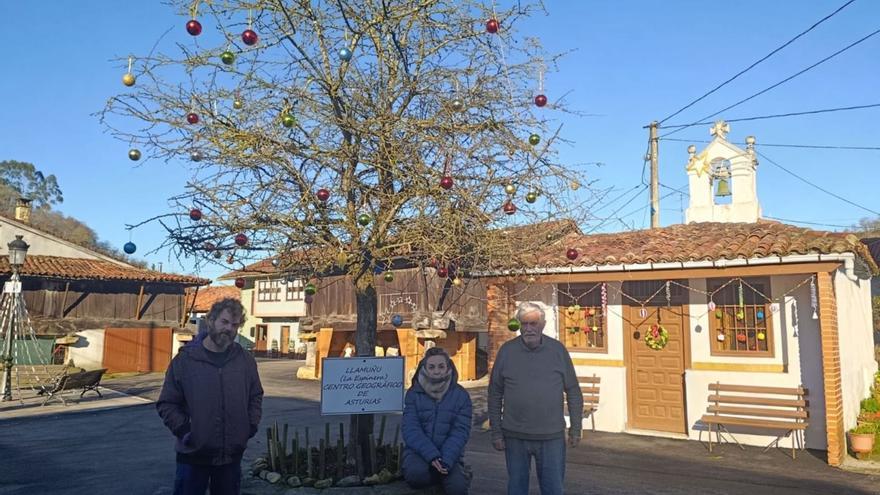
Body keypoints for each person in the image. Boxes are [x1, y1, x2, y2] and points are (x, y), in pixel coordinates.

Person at [157, 298, 264, 495]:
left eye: (235, 325)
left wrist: (249, 426)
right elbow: (167, 403)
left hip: (231, 457)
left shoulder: (245, 361)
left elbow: (255, 396)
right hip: (193, 456)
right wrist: (185, 430)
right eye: (224, 322)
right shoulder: (185, 361)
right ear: (211, 320)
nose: (229, 329)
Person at [488, 302, 583, 495]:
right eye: (524, 323)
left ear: (543, 325)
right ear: (519, 325)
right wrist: (496, 432)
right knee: (516, 489)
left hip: (551, 437)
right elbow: (495, 393)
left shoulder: (558, 351)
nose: (529, 328)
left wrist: (576, 428)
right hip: (515, 436)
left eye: (534, 323)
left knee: (553, 489)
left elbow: (573, 391)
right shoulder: (506, 351)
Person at [401, 347, 472, 495]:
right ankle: (436, 474)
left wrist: (446, 459)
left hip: (449, 454)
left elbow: (460, 432)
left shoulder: (461, 395)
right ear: (425, 368)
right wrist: (432, 455)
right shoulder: (414, 394)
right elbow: (411, 429)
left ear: (448, 367)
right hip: (419, 452)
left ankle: (449, 472)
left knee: (458, 488)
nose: (437, 371)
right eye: (432, 367)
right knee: (416, 476)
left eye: (441, 366)